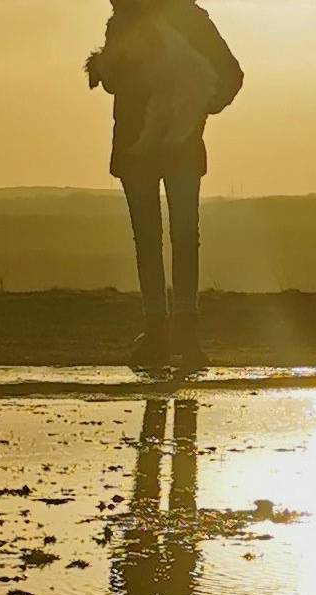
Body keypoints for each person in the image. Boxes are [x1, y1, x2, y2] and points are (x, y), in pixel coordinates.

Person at [87, 0, 241, 373]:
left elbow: (230, 75)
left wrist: (197, 107)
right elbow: (231, 76)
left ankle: (165, 332)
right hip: (165, 144)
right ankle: (175, 333)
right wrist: (199, 108)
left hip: (157, 143)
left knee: (160, 238)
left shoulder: (154, 19)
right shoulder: (173, 17)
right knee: (179, 237)